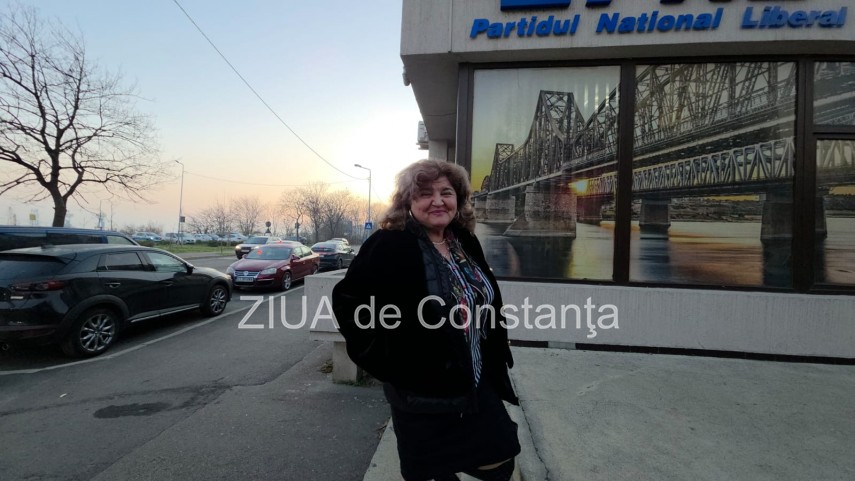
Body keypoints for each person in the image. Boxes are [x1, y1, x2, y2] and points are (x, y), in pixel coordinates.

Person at [332, 159, 520, 481]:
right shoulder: (389, 244)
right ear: (407, 201)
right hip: (422, 396)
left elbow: (484, 299)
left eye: (446, 192)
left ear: (458, 199)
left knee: (500, 459)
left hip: (475, 383)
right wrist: (388, 363)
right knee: (432, 472)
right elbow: (349, 303)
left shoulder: (464, 241)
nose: (437, 201)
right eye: (425, 194)